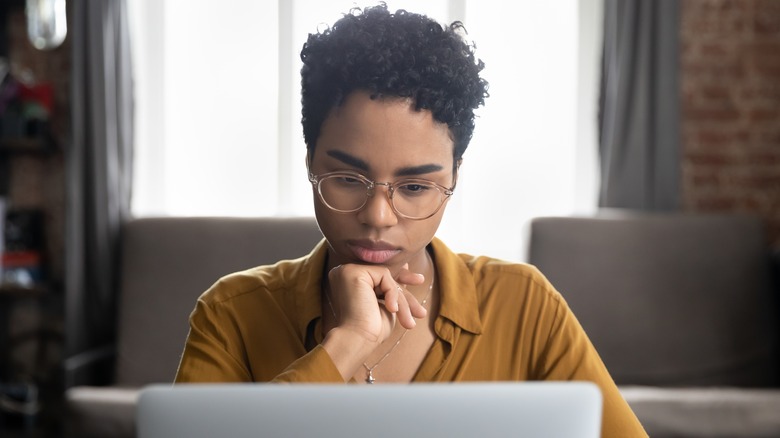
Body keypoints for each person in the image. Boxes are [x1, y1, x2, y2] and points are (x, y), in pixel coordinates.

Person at [174, 4, 647, 436]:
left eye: (416, 187)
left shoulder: (525, 306)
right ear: (310, 162)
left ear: (455, 176)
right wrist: (347, 344)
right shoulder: (231, 313)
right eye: (347, 177)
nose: (378, 217)